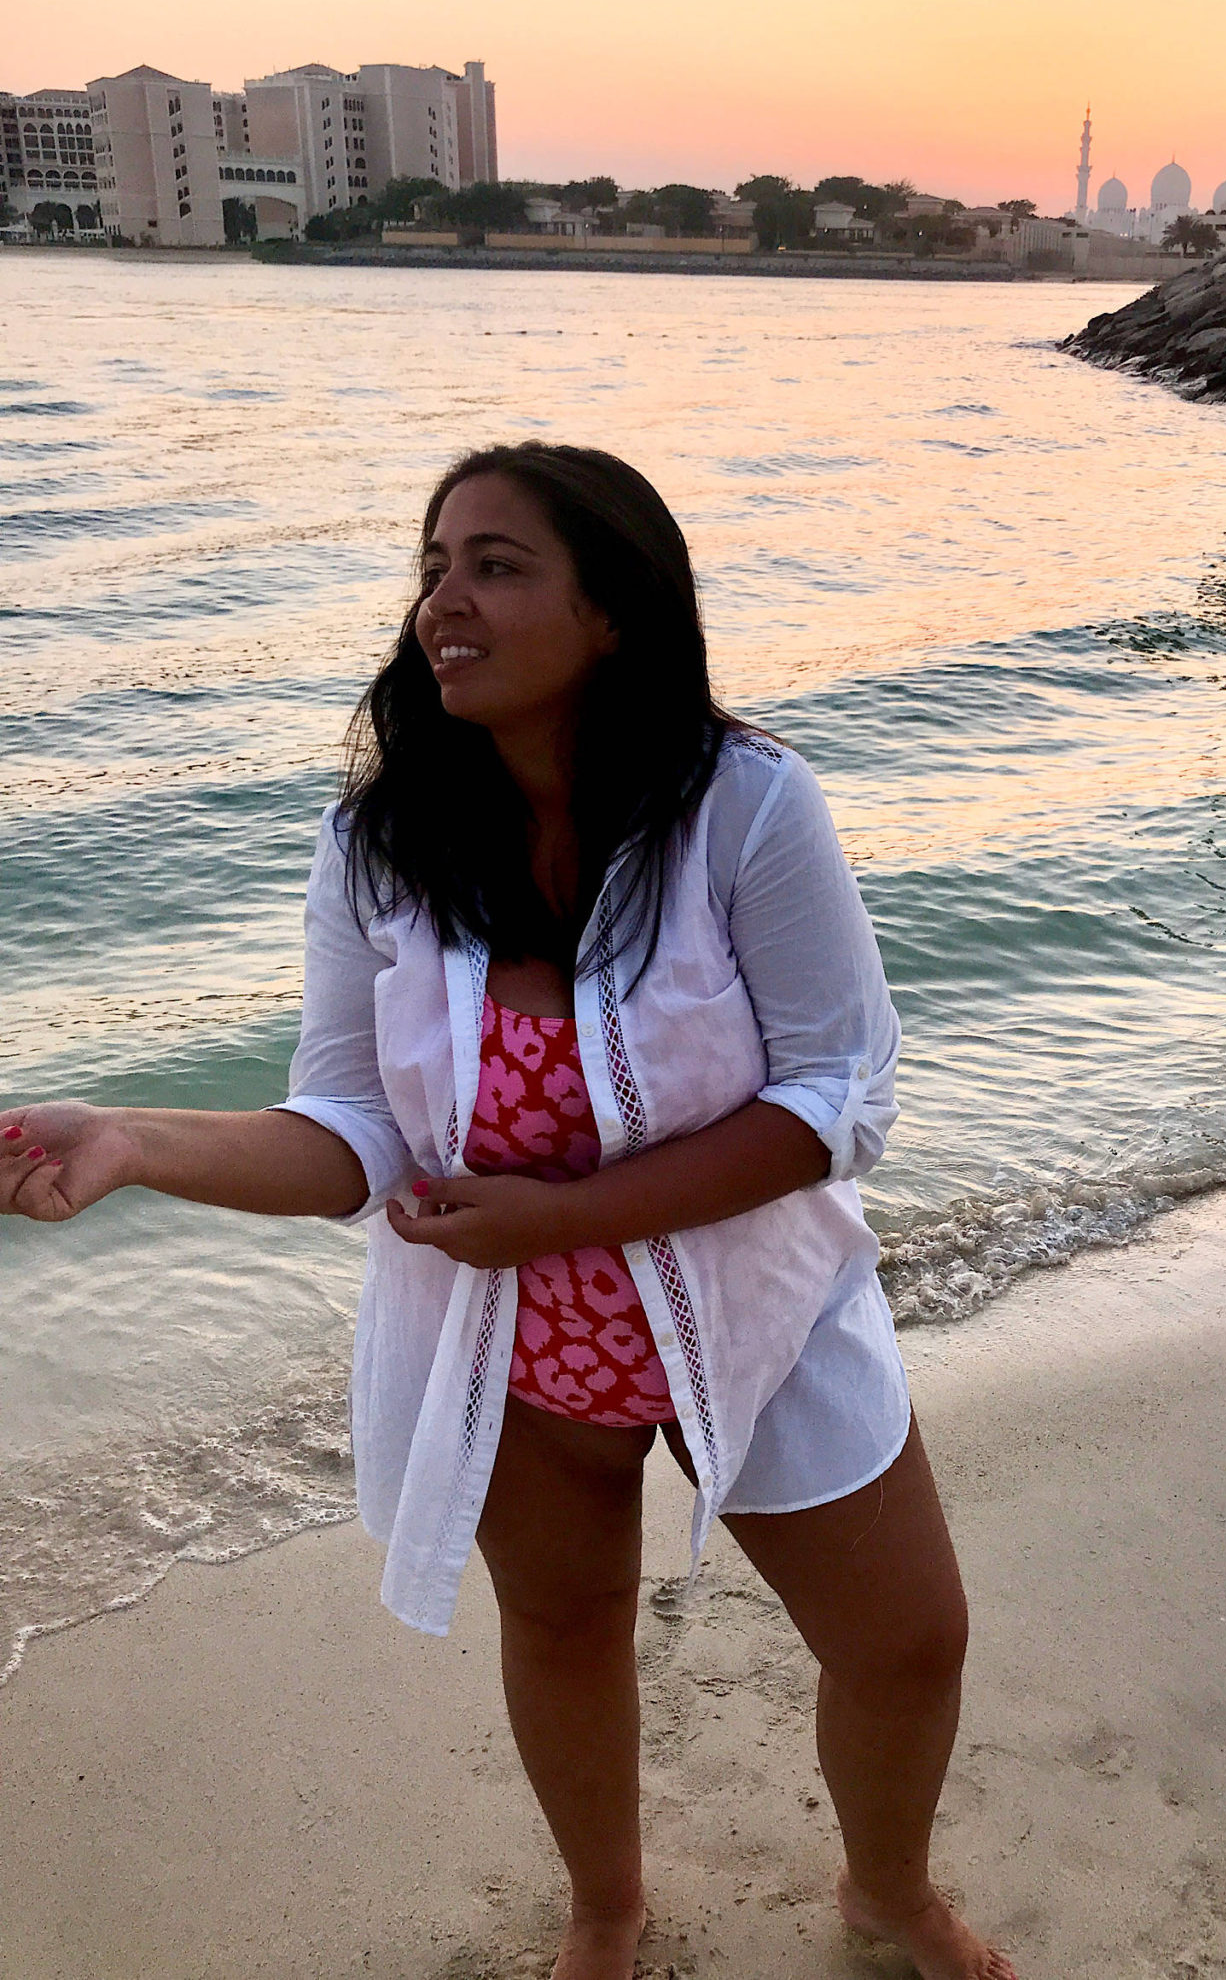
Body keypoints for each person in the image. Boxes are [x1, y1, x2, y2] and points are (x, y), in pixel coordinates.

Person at [1, 443, 1017, 1980]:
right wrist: (136, 1136)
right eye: (431, 564)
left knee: (906, 1636)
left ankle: (887, 1892)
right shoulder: (378, 846)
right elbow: (349, 1129)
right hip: (513, 1336)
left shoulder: (743, 805)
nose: (441, 602)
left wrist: (566, 1217)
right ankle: (604, 1902)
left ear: (610, 610)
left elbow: (836, 1099)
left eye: (494, 563)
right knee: (561, 1629)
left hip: (758, 1306)